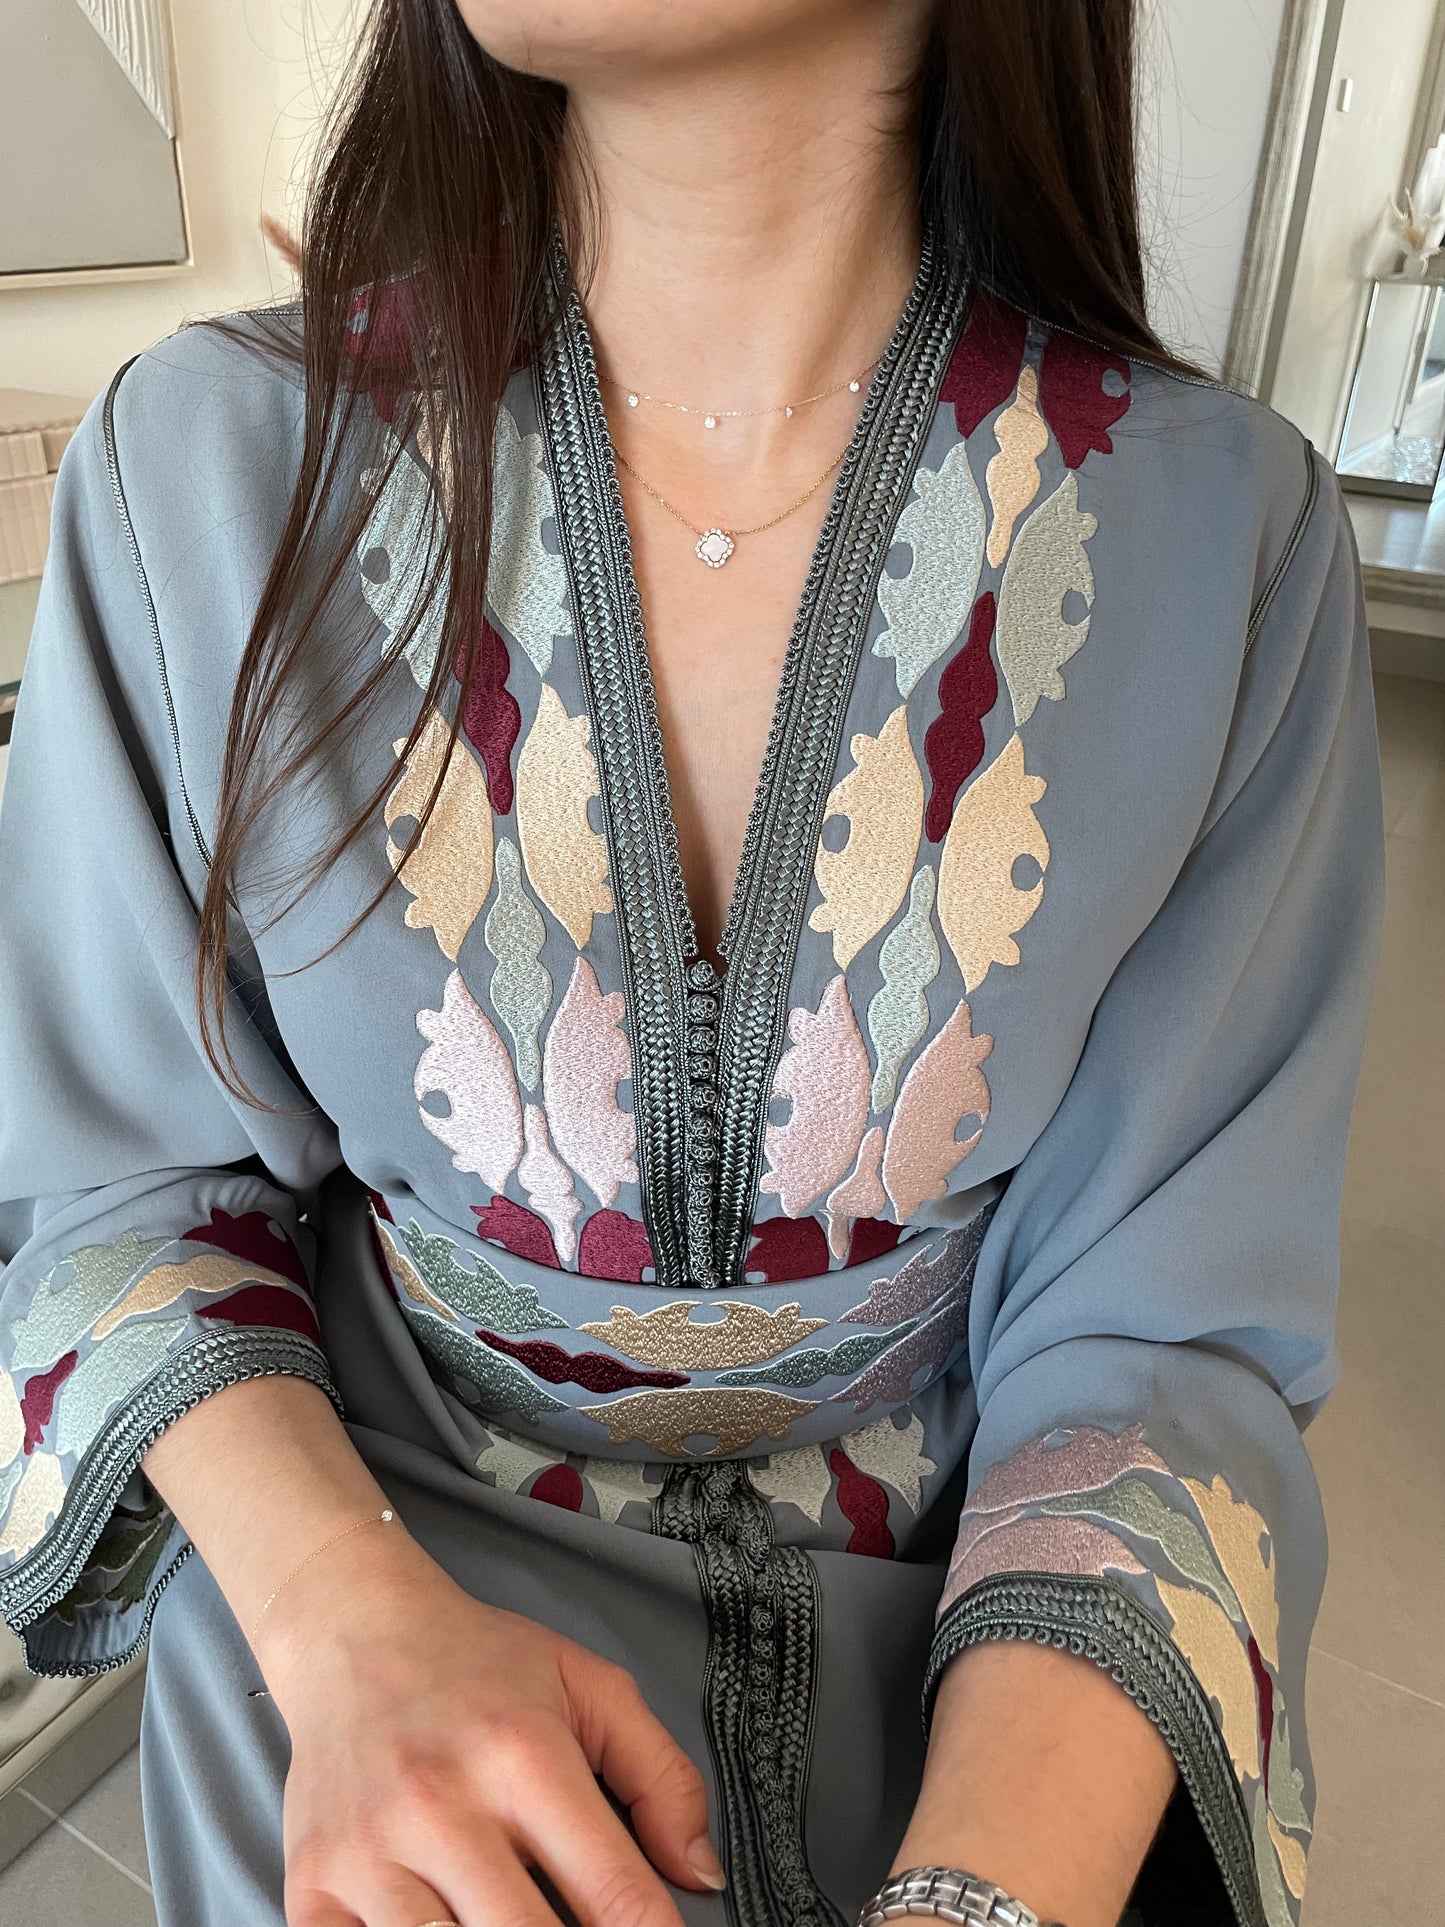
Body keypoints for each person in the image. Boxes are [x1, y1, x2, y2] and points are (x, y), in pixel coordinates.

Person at [0, 3, 1385, 1925]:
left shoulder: (1229, 539)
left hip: (989, 1685)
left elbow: (1159, 1332)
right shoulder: (207, 466)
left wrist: (980, 1897)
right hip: (359, 1671)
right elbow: (113, 1183)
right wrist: (345, 1624)